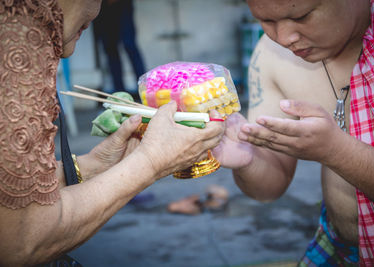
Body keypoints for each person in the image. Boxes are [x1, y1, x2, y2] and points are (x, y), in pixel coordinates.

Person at [0, 0, 224, 265]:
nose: (101, 9)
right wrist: (151, 163)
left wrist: (95, 164)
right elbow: (22, 242)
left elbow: (14, 196)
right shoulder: (17, 31)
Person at [213, 0, 374, 266]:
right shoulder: (270, 53)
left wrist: (335, 151)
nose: (284, 38)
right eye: (266, 21)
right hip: (336, 245)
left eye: (302, 16)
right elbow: (269, 188)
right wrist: (246, 158)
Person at [93, 0, 146, 93]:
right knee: (110, 49)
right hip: (101, 7)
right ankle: (119, 91)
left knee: (129, 45)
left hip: (122, 3)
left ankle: (144, 88)